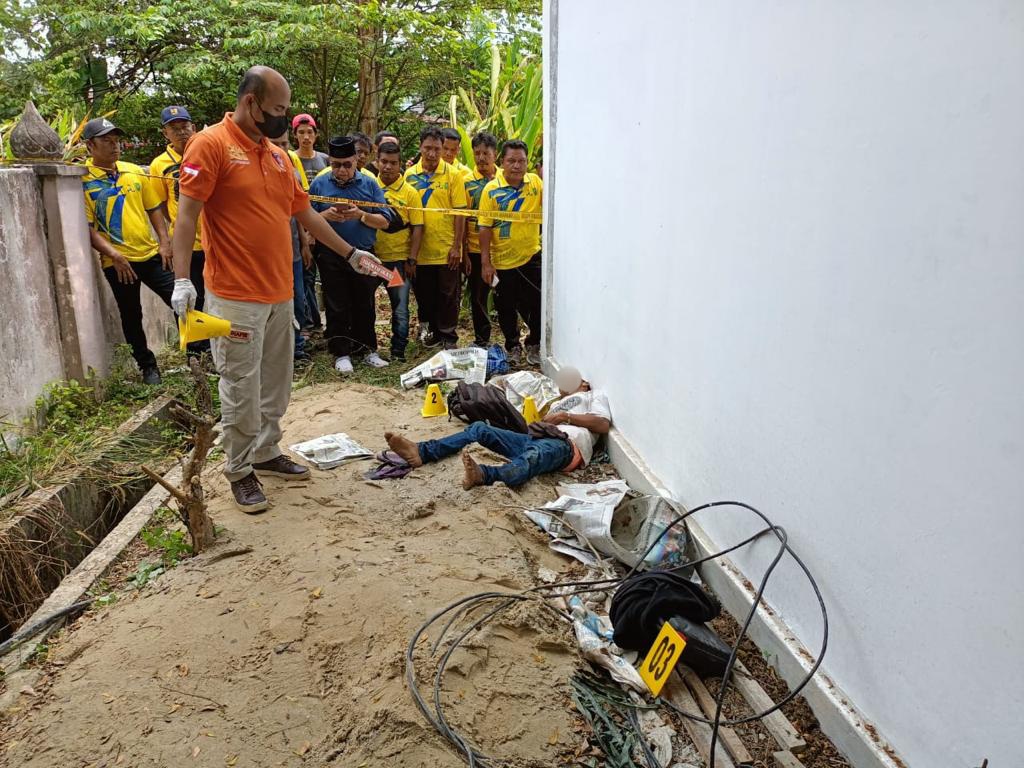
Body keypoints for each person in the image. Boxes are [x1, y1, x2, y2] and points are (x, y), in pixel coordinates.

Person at [170, 66, 380, 513]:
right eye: (280, 110)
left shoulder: (279, 156)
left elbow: (306, 215)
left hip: (279, 292)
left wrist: (350, 255)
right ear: (251, 103)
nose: (285, 119)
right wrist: (182, 278)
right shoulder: (210, 145)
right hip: (233, 296)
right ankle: (239, 469)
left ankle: (266, 452)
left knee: (275, 385)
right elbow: (187, 215)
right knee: (241, 387)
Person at [384, 366, 610, 489]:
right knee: (480, 428)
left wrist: (564, 416)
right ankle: (423, 451)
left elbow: (602, 424)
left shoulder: (592, 397)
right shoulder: (558, 401)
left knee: (533, 457)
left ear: (585, 384)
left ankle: (486, 475)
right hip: (536, 438)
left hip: (566, 446)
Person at [82, 117, 174, 385]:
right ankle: (148, 367)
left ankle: (197, 352)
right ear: (90, 145)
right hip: (119, 263)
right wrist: (115, 255)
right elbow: (89, 229)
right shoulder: (84, 181)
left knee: (181, 300)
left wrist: (164, 240)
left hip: (150, 254)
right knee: (132, 315)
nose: (115, 146)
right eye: (106, 141)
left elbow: (154, 209)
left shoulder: (133, 171)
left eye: (116, 140)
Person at [309, 136, 394, 373]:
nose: (342, 170)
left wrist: (361, 215)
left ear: (357, 160)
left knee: (364, 303)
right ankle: (341, 352)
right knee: (337, 303)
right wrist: (325, 216)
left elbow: (386, 221)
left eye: (347, 164)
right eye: (336, 165)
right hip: (330, 253)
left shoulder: (369, 184)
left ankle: (367, 350)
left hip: (363, 252)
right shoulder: (320, 184)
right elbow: (307, 218)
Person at [150, 105, 209, 360]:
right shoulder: (159, 165)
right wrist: (170, 237)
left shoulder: (205, 152)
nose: (182, 133)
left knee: (216, 296)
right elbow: (160, 204)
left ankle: (217, 344)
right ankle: (195, 352)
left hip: (215, 240)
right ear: (165, 133)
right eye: (175, 129)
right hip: (188, 245)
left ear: (193, 127)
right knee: (188, 297)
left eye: (185, 127)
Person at [479, 139, 543, 365]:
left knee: (537, 304)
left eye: (521, 161)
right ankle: (513, 346)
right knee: (505, 307)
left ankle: (534, 344)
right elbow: (485, 226)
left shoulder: (535, 183)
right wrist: (486, 263)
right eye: (511, 161)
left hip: (531, 257)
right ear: (502, 162)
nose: (517, 166)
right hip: (503, 261)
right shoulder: (491, 190)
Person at [405, 126, 468, 348]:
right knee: (425, 294)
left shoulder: (454, 175)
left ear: (443, 150)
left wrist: (456, 246)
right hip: (420, 250)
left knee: (449, 295)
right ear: (420, 148)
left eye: (437, 149)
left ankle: (448, 337)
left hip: (445, 249)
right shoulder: (409, 176)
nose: (432, 153)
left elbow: (460, 213)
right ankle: (431, 332)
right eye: (428, 148)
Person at [267, 126, 314, 363]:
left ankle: (297, 349)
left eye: (285, 144)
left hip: (293, 251)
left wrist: (305, 243)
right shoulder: (255, 173)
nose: (281, 149)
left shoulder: (293, 174)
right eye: (276, 143)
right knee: (272, 307)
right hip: (267, 258)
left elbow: (300, 213)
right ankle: (277, 354)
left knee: (297, 301)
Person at [374, 141, 423, 362]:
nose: (388, 167)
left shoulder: (410, 193)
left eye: (393, 163)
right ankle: (367, 348)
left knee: (400, 309)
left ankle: (398, 352)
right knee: (364, 304)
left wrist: (412, 258)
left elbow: (418, 227)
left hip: (396, 262)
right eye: (383, 162)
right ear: (377, 161)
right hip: (371, 260)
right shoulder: (368, 186)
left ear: (400, 164)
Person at [462, 131, 501, 347]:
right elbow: (461, 218)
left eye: (486, 153)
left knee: (506, 297)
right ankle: (481, 339)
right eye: (477, 153)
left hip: (503, 249)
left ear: (495, 154)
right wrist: (465, 252)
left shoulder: (505, 179)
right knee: (478, 297)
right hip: (476, 250)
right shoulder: (466, 182)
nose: (481, 158)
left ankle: (512, 340)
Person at [291, 114, 328, 332]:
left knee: (323, 276)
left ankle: (319, 322)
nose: (306, 137)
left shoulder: (324, 159)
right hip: (299, 227)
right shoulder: (289, 158)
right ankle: (309, 323)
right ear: (295, 135)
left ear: (316, 135)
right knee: (305, 277)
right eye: (301, 132)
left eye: (310, 132)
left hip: (324, 225)